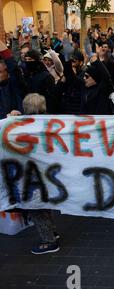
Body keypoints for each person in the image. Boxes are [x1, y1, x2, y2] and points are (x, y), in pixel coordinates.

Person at [7, 93, 61, 254]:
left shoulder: (23, 127)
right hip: (47, 173)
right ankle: (52, 233)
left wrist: (11, 119)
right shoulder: (49, 123)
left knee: (36, 208)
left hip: (31, 177)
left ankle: (49, 241)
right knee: (44, 205)